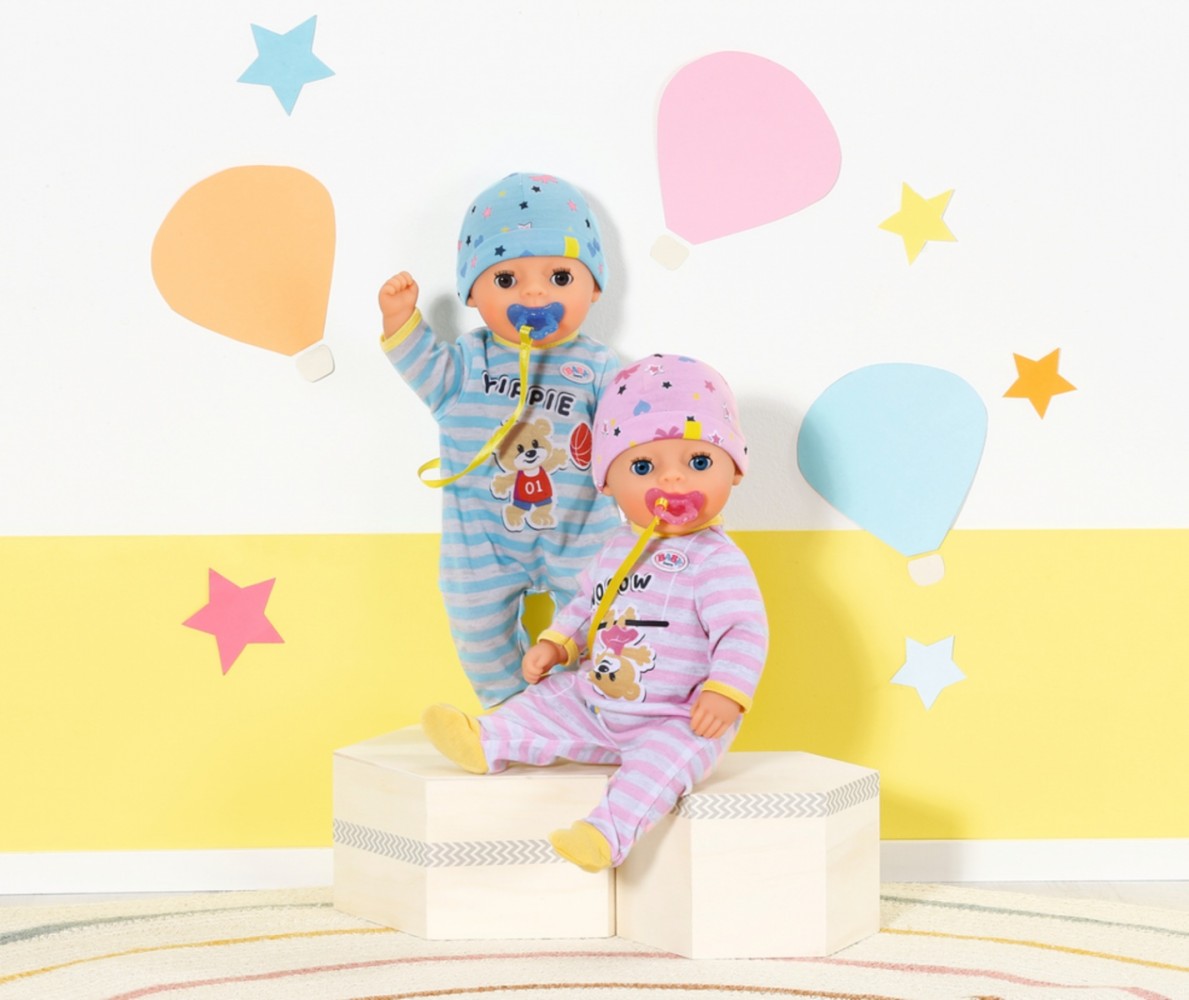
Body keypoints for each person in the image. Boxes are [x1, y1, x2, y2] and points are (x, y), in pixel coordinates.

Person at [421, 354, 768, 872]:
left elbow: (742, 631)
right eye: (644, 467)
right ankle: (487, 739)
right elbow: (588, 605)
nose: (673, 479)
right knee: (548, 698)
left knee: (657, 771)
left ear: (734, 470)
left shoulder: (716, 560)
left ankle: (604, 835)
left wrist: (726, 692)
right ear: (606, 483)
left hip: (677, 718)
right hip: (596, 701)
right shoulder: (614, 547)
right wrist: (556, 642)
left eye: (698, 462)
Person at [378, 173, 620, 708]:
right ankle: (512, 711)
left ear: (594, 288)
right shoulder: (469, 362)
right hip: (482, 542)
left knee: (605, 616)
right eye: (507, 279)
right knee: (475, 624)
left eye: (560, 276)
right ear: (472, 293)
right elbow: (420, 362)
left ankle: (591, 711)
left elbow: (628, 436)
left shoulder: (598, 366)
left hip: (581, 532)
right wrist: (400, 319)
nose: (534, 292)